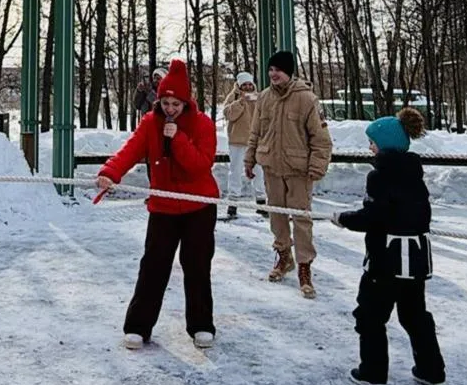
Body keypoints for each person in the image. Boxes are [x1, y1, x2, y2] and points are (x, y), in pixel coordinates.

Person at [95, 59, 219, 351]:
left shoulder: (202, 124)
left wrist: (178, 141)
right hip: (163, 206)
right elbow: (131, 150)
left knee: (197, 265)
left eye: (176, 103)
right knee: (153, 265)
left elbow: (201, 165)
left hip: (198, 207)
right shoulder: (151, 123)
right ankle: (138, 326)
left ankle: (201, 324)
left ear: (186, 102)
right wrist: (110, 172)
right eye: (165, 102)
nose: (170, 109)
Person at [331, 109, 442, 385]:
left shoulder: (379, 176)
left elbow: (374, 217)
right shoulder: (415, 174)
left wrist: (345, 219)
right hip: (414, 261)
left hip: (385, 262)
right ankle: (432, 370)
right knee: (415, 315)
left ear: (385, 144)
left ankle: (373, 372)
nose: (370, 147)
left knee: (370, 315)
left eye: (373, 142)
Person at [243, 50, 332, 298]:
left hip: (298, 170)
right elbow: (255, 132)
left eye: (278, 70)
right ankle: (284, 256)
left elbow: (321, 138)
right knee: (277, 216)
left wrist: (317, 166)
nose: (273, 74)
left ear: (288, 72)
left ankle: (304, 266)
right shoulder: (264, 98)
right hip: (271, 166)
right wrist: (250, 159)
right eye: (271, 70)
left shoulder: (307, 99)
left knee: (301, 219)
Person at [220, 71, 259, 220]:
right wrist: (240, 102)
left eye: (250, 84)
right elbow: (228, 114)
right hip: (237, 140)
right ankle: (233, 201)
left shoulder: (258, 96)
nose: (248, 87)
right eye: (245, 84)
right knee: (235, 170)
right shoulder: (233, 97)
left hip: (255, 140)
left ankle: (261, 198)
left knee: (259, 170)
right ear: (239, 85)